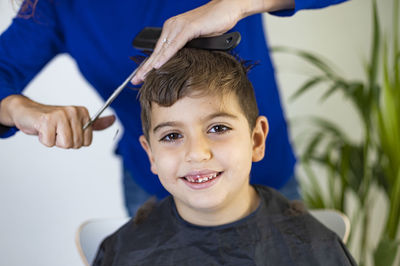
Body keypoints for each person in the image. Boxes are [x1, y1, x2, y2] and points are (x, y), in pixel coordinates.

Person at [0, 0, 348, 216]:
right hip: (155, 191)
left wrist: (238, 3)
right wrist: (18, 108)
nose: (197, 154)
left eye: (218, 127)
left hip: (264, 179)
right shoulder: (55, 6)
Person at [93, 48, 356, 266]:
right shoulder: (122, 253)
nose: (196, 153)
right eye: (172, 136)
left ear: (256, 140)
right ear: (150, 154)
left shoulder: (317, 250)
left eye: (218, 128)